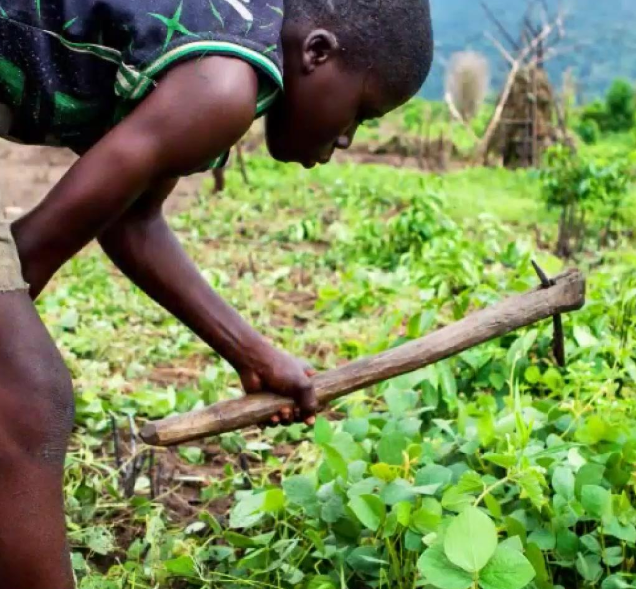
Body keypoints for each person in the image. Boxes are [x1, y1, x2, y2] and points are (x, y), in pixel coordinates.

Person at [0, 0, 433, 585]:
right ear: (318, 52)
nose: (349, 138)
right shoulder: (224, 87)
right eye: (361, 111)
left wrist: (253, 354)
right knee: (30, 395)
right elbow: (32, 254)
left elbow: (133, 221)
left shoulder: (218, 58)